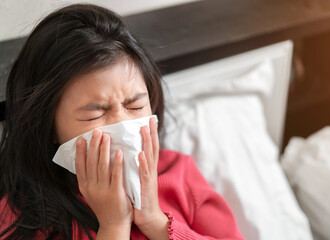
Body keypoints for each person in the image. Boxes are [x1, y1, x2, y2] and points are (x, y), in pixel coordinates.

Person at [0, 4, 245, 240]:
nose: (123, 125)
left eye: (135, 106)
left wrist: (154, 221)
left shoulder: (181, 175)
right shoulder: (20, 217)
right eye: (95, 114)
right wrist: (113, 226)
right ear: (48, 125)